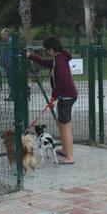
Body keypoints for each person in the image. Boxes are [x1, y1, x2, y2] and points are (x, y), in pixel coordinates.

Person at [28, 36, 78, 165]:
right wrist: (31, 56)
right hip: (66, 95)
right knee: (62, 124)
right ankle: (66, 150)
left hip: (65, 97)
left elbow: (61, 80)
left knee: (65, 126)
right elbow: (46, 63)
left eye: (46, 50)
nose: (46, 52)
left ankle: (70, 157)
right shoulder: (58, 58)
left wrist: (54, 97)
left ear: (51, 49)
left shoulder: (60, 61)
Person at [0, 28, 16, 102]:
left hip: (11, 65)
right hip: (7, 65)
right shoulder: (6, 42)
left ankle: (13, 95)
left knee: (12, 81)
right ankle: (11, 95)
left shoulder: (9, 42)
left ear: (6, 35)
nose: (1, 36)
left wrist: (8, 63)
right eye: (1, 34)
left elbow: (10, 54)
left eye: (2, 34)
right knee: (10, 81)